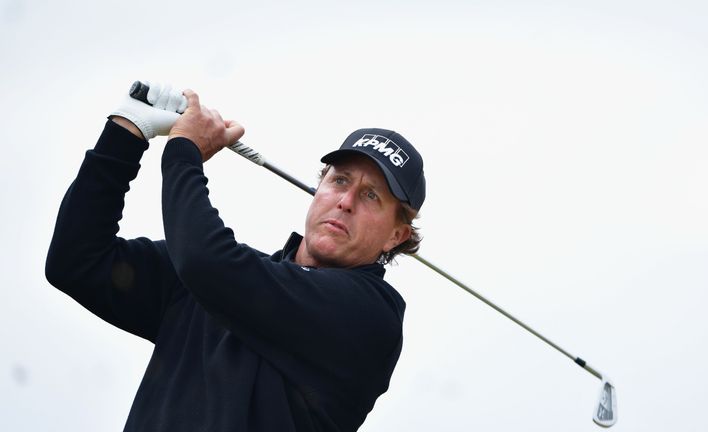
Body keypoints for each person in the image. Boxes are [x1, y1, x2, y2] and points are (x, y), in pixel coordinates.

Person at [45, 83, 426, 432]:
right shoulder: (218, 281)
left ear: (397, 235)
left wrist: (183, 154)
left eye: (371, 195)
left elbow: (207, 263)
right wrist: (125, 135)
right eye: (339, 180)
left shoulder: (371, 315)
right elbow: (76, 260)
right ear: (318, 188)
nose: (345, 202)